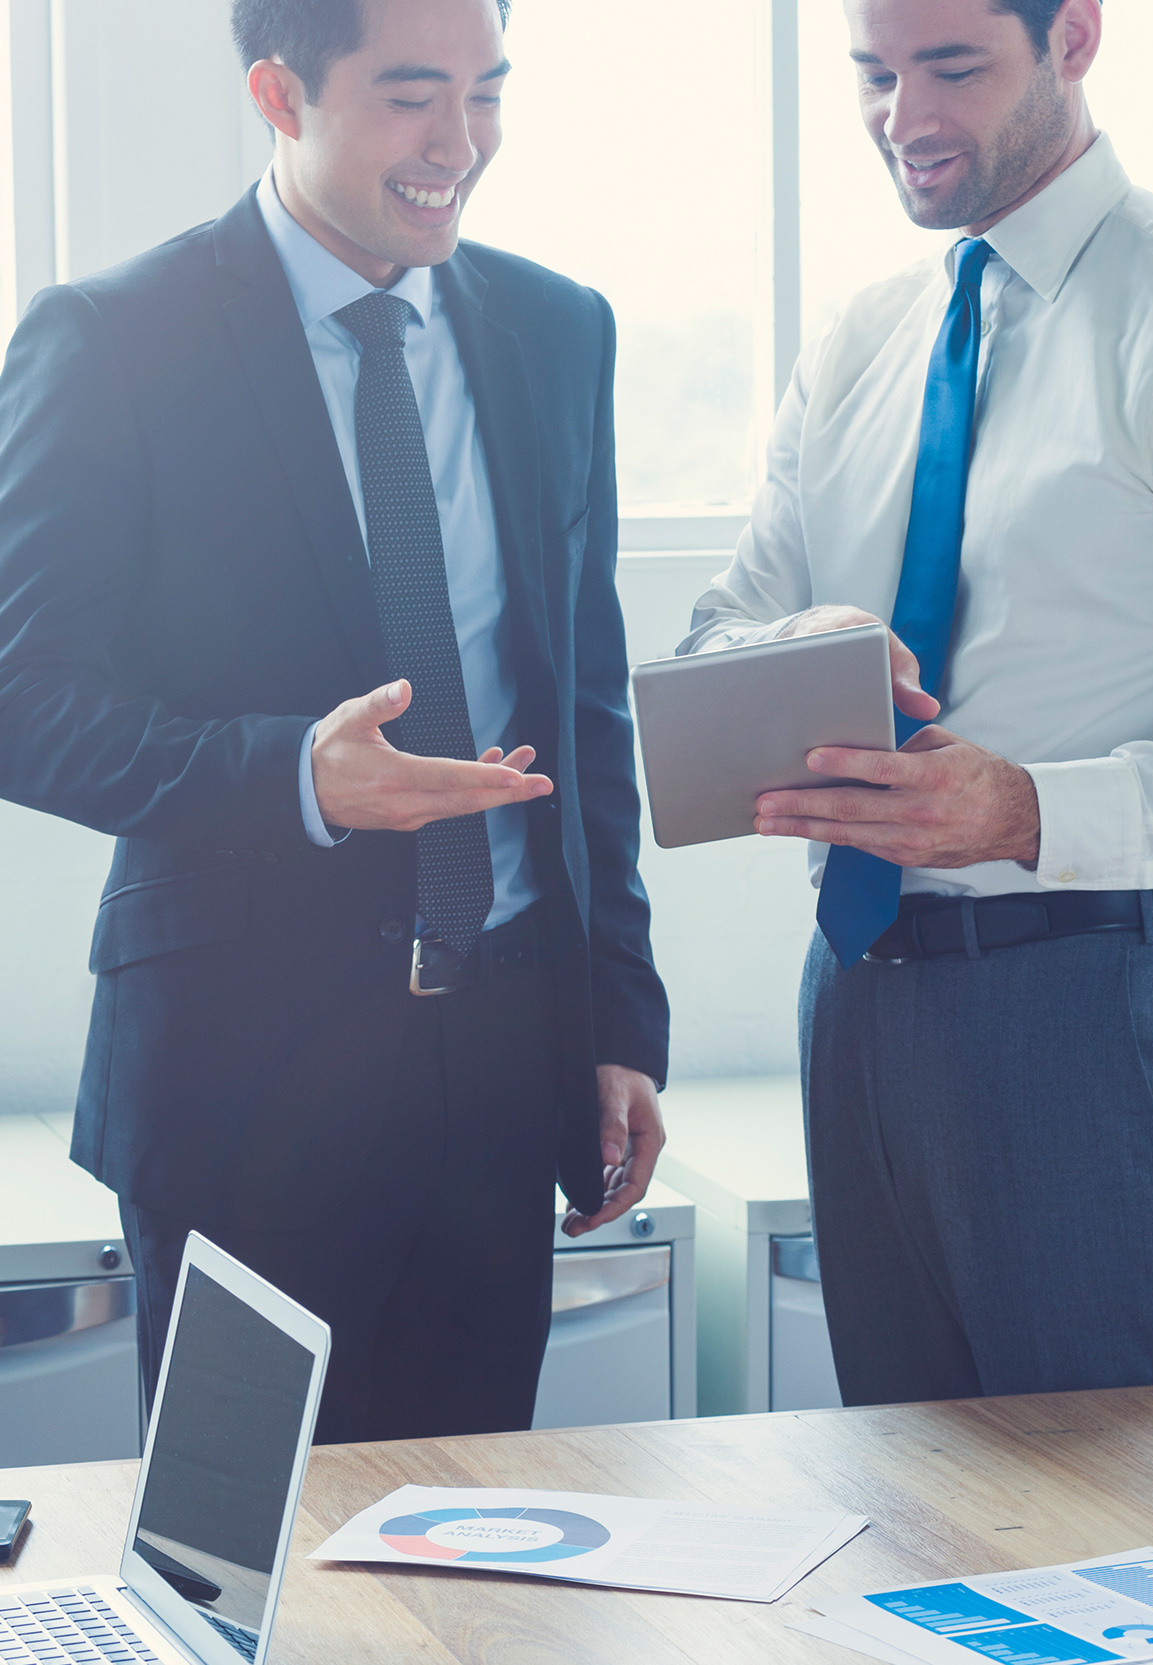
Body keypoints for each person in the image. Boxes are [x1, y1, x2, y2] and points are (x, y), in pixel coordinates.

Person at [0, 0, 669, 1442]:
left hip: (500, 1075)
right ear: (278, 94)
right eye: (412, 99)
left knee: (471, 1567)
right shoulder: (115, 339)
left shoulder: (559, 332)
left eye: (489, 93)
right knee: (248, 1575)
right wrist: (297, 775)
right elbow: (21, 696)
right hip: (244, 1090)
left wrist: (618, 1017)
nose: (463, 143)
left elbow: (583, 700)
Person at [678, 0, 1153, 1402]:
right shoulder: (859, 338)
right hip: (854, 1000)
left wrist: (1030, 807)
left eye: (953, 69)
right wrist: (802, 635)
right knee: (912, 1530)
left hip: (1089, 1007)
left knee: (1120, 1541)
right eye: (872, 75)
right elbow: (719, 624)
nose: (903, 118)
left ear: (1074, 38)